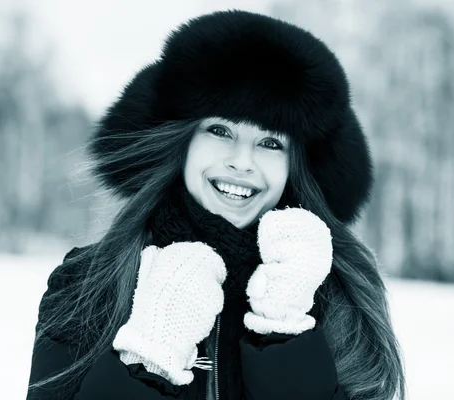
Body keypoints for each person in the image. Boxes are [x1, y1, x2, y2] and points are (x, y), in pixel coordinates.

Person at [26, 9, 406, 400]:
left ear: (296, 164)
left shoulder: (338, 295)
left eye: (271, 142)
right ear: (183, 139)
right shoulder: (87, 282)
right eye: (221, 130)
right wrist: (150, 360)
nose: (242, 162)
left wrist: (283, 332)